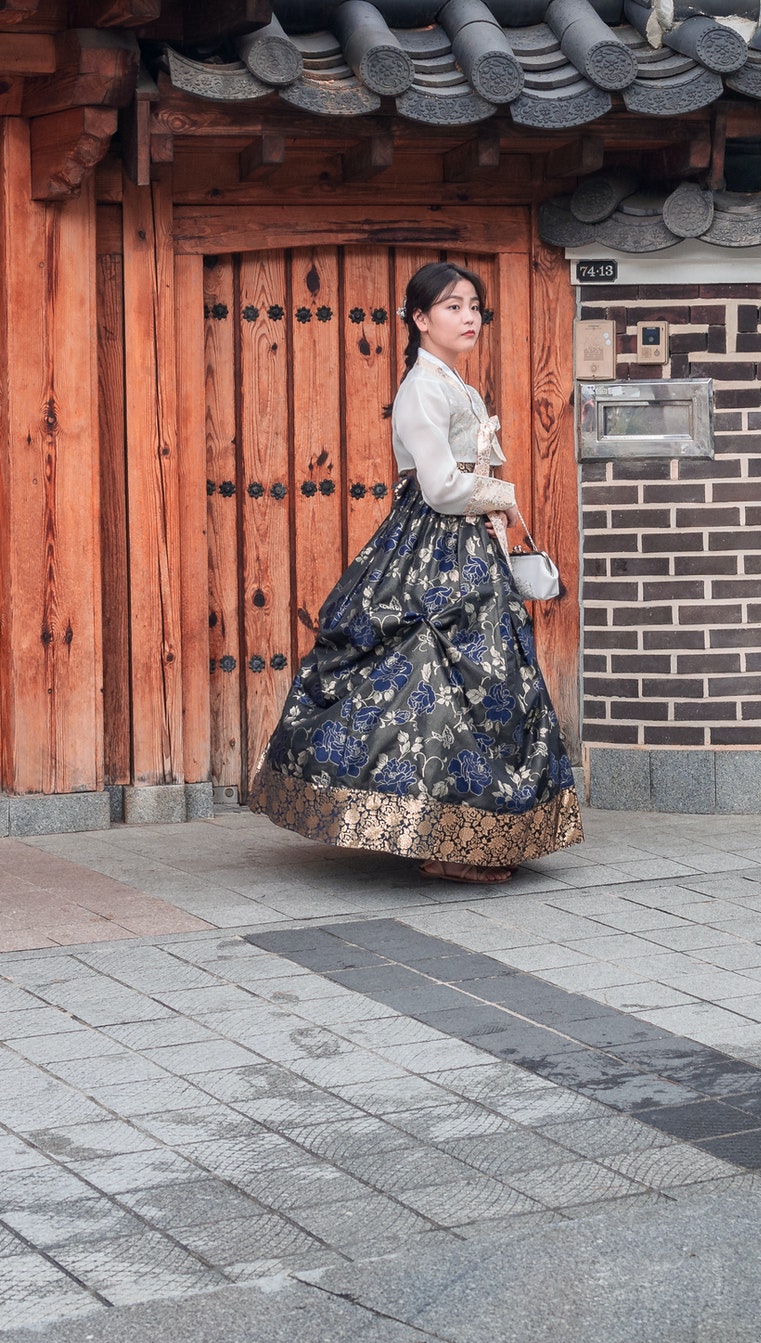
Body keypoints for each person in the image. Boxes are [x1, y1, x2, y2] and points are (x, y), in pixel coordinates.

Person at [248, 262, 582, 883]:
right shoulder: (422, 387)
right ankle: (447, 838)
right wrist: (503, 493)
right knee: (441, 674)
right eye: (453, 307)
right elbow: (440, 485)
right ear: (420, 319)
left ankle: (468, 832)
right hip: (434, 547)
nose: (469, 317)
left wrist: (498, 517)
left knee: (484, 676)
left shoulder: (454, 382)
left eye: (475, 307)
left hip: (467, 546)